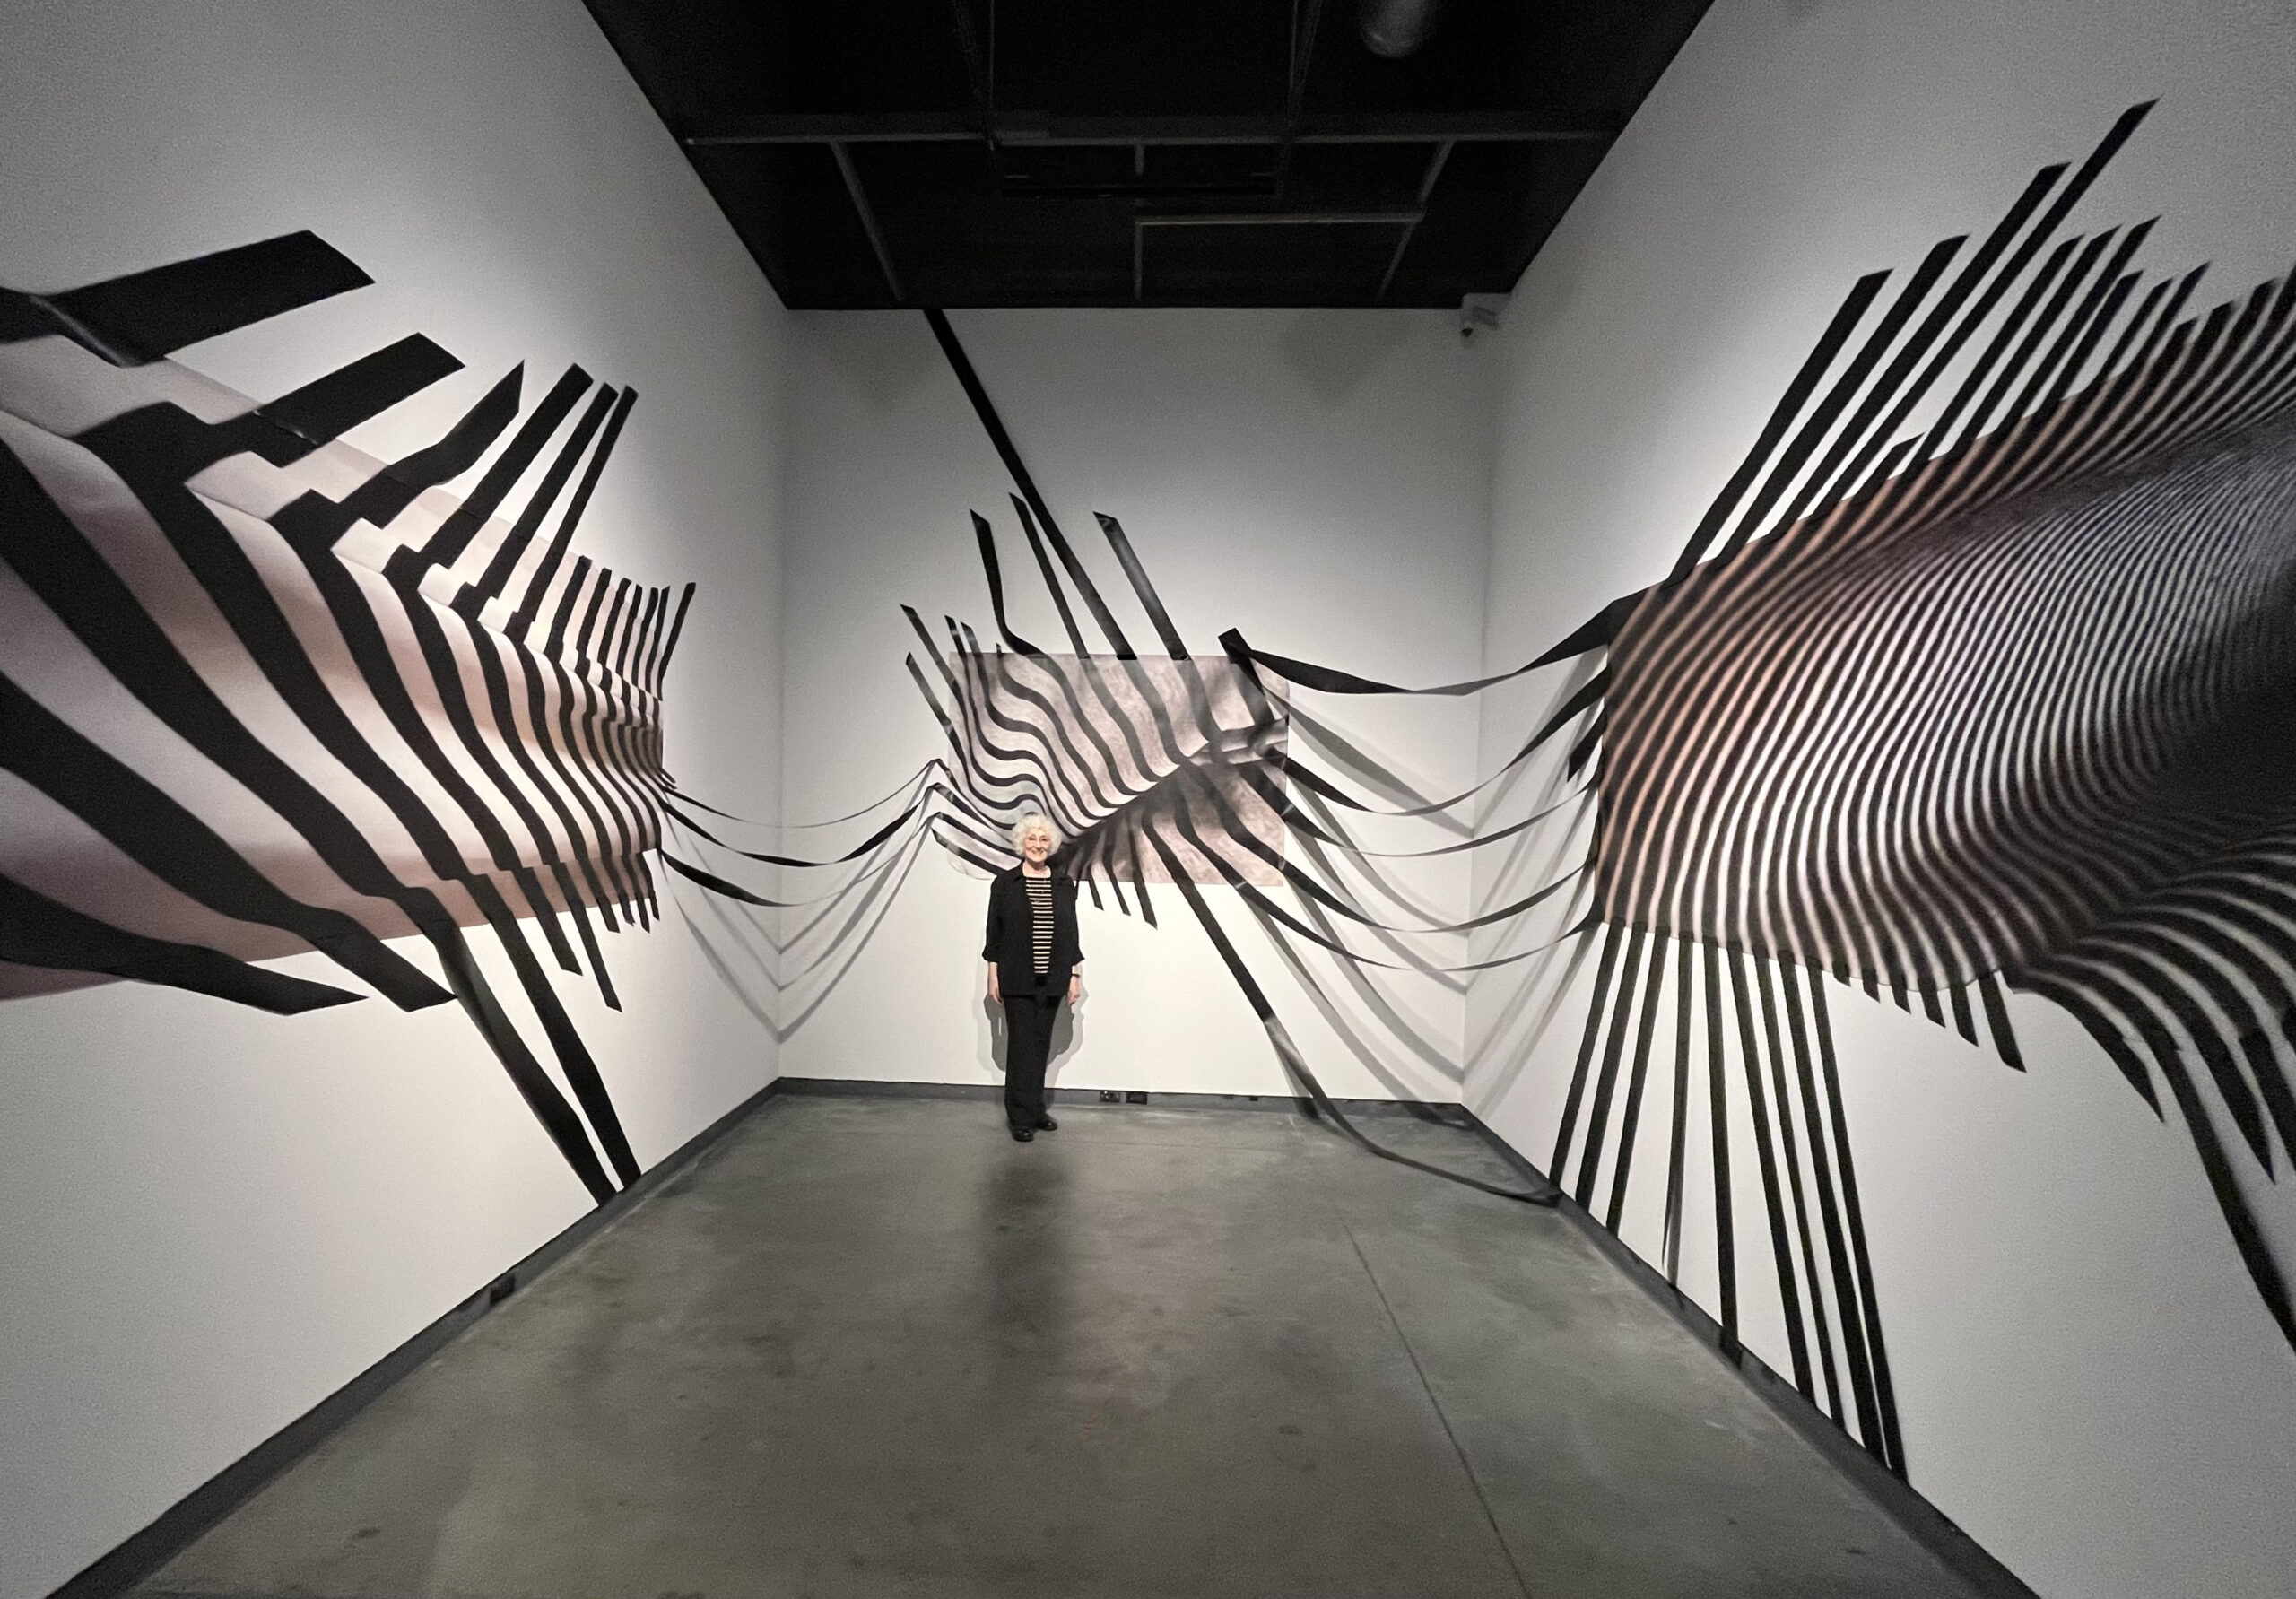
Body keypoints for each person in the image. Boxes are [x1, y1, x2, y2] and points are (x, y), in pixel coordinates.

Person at [982, 813, 1083, 1142]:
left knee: (1041, 1046)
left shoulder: (1064, 884)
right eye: (1031, 839)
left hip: (1052, 977)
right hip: (1016, 977)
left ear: (1050, 845)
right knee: (1021, 1048)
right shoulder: (1005, 884)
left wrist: (1074, 974)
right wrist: (993, 975)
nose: (1037, 845)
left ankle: (1036, 1109)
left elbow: (1071, 933)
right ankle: (1020, 1116)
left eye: (1043, 839)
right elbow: (994, 934)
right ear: (1021, 843)